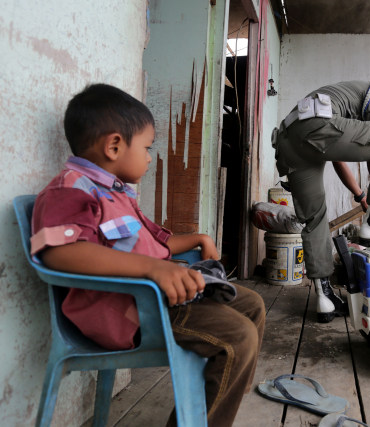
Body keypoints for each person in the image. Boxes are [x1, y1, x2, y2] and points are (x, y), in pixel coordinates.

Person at [30, 83, 265, 427]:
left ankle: (219, 395)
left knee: (252, 304)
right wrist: (153, 270)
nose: (149, 156)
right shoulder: (69, 189)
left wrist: (200, 238)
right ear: (113, 145)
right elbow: (59, 253)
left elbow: (158, 245)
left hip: (158, 299)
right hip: (128, 310)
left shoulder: (118, 192)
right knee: (238, 336)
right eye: (146, 147)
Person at [272, 78, 370, 323]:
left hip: (290, 140)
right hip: (318, 128)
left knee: (314, 219)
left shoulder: (338, 101)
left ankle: (324, 297)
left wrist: (362, 197)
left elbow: (338, 157)